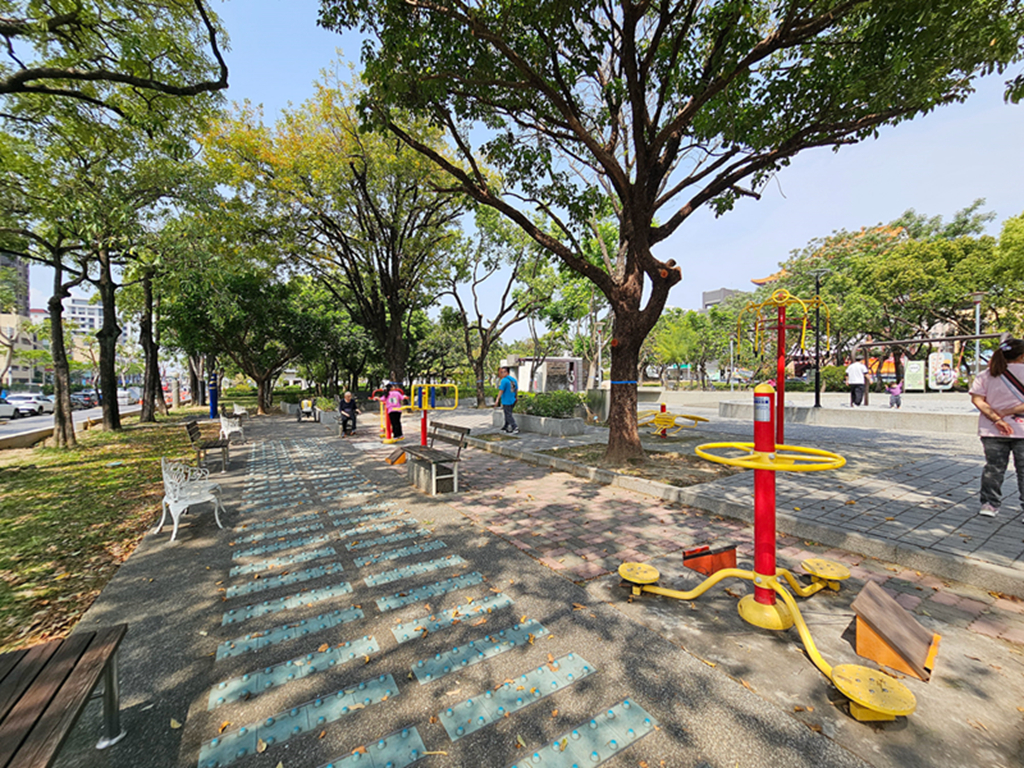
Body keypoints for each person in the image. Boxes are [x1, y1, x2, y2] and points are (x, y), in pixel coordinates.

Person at [969, 338, 1024, 517]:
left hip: (992, 430)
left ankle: (989, 505)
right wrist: (1010, 411)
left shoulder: (986, 374)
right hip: (1022, 430)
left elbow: (977, 400)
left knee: (994, 468)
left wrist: (997, 418)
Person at [494, 366, 519, 433]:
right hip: (512, 399)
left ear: (506, 372)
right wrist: (516, 397)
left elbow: (501, 390)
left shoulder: (504, 380)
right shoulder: (514, 380)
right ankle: (506, 426)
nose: (501, 373)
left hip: (506, 400)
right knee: (508, 413)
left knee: (508, 415)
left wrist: (497, 400)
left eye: (503, 372)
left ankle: (515, 427)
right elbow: (516, 390)